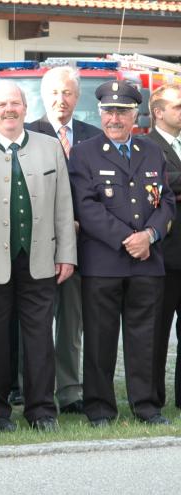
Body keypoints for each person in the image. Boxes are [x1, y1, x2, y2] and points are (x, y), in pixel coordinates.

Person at [0, 80, 77, 432]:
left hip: (39, 258)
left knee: (39, 337)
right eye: (2, 104)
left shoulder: (50, 147)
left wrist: (66, 253)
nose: (9, 109)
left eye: (16, 103)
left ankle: (41, 410)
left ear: (26, 107)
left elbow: (63, 205)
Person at [69, 80, 176, 427]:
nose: (115, 118)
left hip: (148, 262)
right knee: (100, 341)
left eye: (123, 111)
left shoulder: (152, 151)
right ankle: (100, 408)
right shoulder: (84, 152)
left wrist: (150, 235)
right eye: (109, 111)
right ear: (100, 113)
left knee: (143, 338)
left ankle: (146, 406)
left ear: (135, 115)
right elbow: (86, 207)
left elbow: (167, 202)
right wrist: (128, 239)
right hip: (104, 263)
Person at [26, 66, 102, 414]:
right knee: (34, 323)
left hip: (81, 247)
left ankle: (70, 392)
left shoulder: (92, 135)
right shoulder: (28, 133)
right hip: (36, 245)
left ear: (78, 97)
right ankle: (28, 387)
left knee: (72, 324)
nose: (61, 100)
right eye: (55, 93)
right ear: (44, 96)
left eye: (68, 93)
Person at [146, 84, 181, 409]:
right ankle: (153, 399)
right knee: (156, 335)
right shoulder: (148, 145)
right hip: (164, 257)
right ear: (158, 111)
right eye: (178, 106)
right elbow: (158, 183)